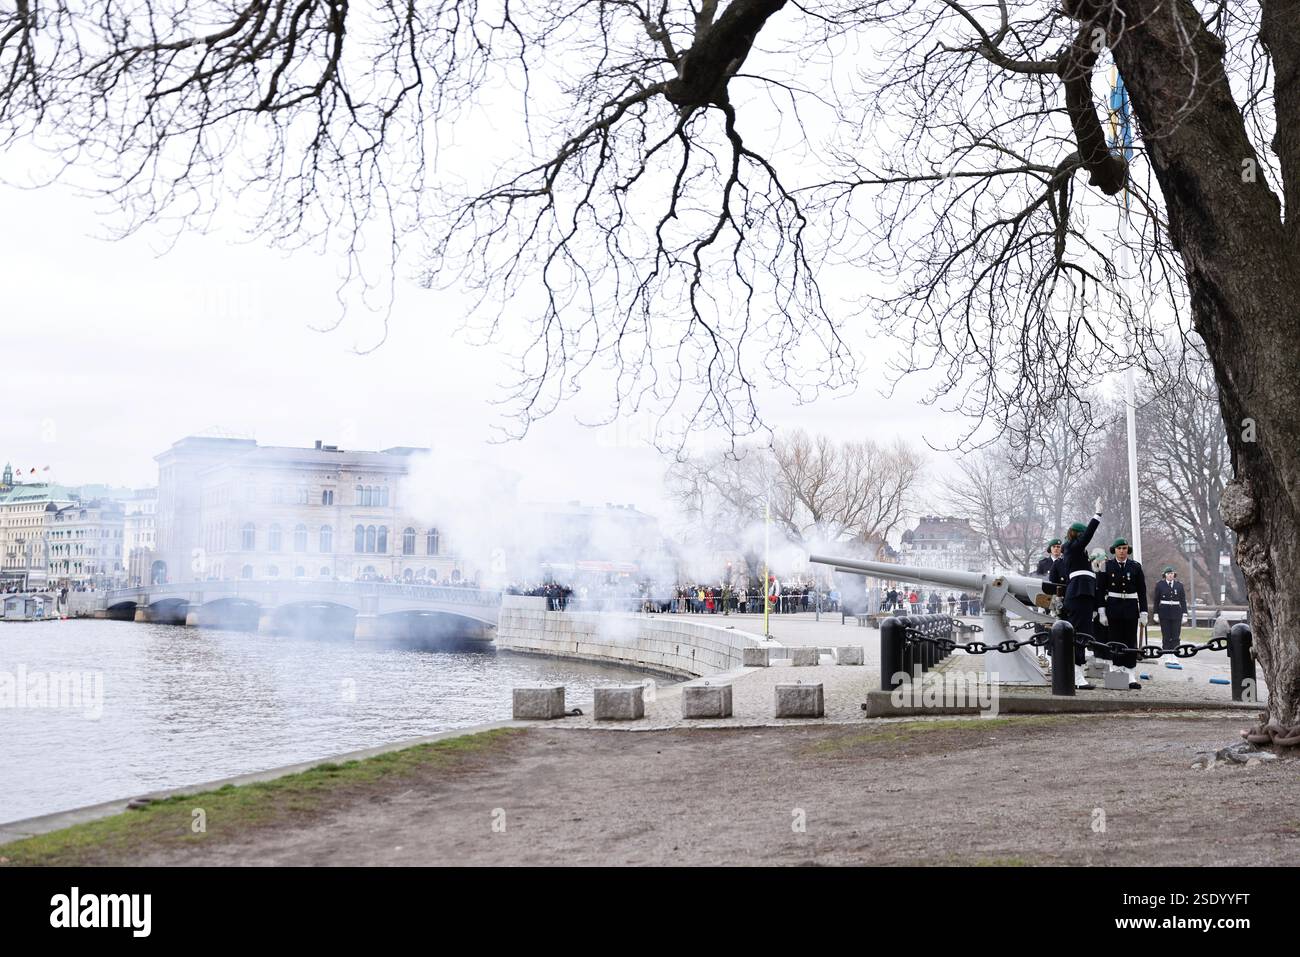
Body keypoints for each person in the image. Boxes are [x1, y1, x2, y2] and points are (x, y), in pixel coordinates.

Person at [1059, 498, 1104, 690]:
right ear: (1076, 534)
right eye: (1081, 534)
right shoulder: (1071, 546)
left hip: (1083, 594)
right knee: (1077, 635)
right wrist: (1097, 515)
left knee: (1083, 635)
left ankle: (1078, 674)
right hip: (1078, 593)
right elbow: (1087, 537)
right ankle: (1075, 676)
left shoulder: (1078, 552)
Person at [1099, 537, 1147, 690]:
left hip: (1131, 607)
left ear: (1128, 550)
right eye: (1119, 549)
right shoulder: (1106, 566)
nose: (1122, 551)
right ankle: (1116, 670)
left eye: (1124, 548)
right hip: (1113, 607)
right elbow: (1100, 590)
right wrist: (1101, 611)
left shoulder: (1135, 567)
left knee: (1130, 641)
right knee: (1114, 640)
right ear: (1114, 550)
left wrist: (1144, 611)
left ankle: (1131, 674)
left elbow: (1142, 591)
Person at [1152, 566, 1187, 652]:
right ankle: (1166, 651)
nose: (1170, 575)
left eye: (1172, 573)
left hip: (1176, 612)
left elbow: (1183, 600)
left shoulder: (1179, 585)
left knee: (1176, 634)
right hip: (1164, 612)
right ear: (1165, 575)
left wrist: (1184, 614)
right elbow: (1156, 600)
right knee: (1166, 634)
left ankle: (1176, 650)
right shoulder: (1160, 585)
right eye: (1168, 574)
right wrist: (1155, 613)